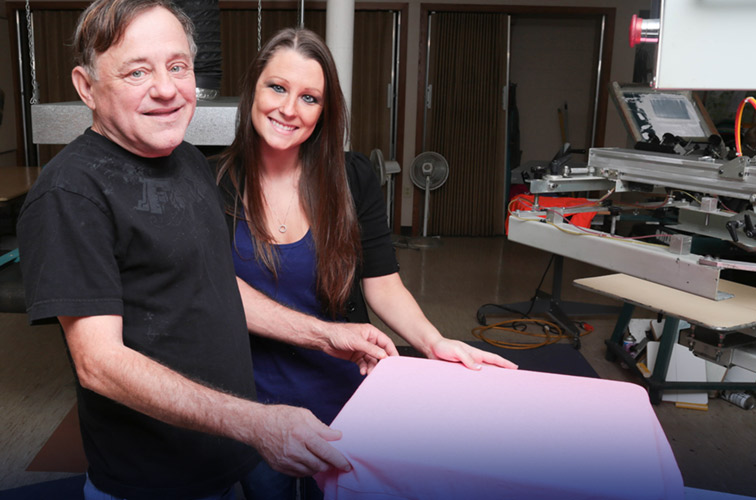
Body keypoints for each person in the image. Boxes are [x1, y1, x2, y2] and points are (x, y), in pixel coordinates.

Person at [16, 2, 397, 499]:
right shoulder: (71, 192)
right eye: (138, 71)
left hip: (223, 463)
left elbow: (220, 286)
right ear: (86, 87)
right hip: (152, 484)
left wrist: (324, 335)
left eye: (178, 67)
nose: (167, 88)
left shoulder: (189, 163)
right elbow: (100, 364)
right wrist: (258, 423)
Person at [215, 27, 518, 499]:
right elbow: (216, 291)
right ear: (252, 89)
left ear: (325, 110)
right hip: (253, 404)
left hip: (342, 398)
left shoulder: (353, 177)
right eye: (277, 87)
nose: (289, 109)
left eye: (309, 98)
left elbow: (383, 284)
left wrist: (434, 342)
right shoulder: (209, 183)